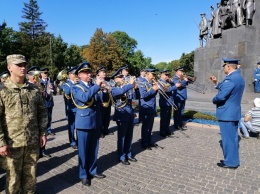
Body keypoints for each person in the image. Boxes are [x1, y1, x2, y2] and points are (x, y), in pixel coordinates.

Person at [0, 54, 48, 193]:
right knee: (13, 179)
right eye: (19, 65)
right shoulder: (2, 90)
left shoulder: (34, 89)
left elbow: (42, 112)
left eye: (24, 65)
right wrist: (1, 142)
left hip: (32, 141)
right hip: (12, 143)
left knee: (31, 176)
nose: (23, 67)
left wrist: (43, 133)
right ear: (9, 67)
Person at [71, 62, 106, 186]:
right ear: (79, 74)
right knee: (83, 151)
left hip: (95, 122)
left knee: (93, 149)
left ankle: (92, 170)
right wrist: (97, 86)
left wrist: (105, 91)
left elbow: (100, 101)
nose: (89, 74)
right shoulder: (75, 87)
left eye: (89, 72)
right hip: (83, 123)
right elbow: (85, 97)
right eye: (86, 72)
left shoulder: (93, 85)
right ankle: (83, 174)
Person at [210, 58, 245, 169]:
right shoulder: (238, 77)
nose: (224, 68)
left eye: (224, 66)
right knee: (232, 138)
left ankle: (231, 162)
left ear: (228, 67)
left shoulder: (230, 79)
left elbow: (221, 96)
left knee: (228, 139)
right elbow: (228, 89)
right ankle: (232, 159)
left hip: (227, 113)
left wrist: (214, 99)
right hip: (233, 112)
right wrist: (216, 83)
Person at [110, 68, 137, 165]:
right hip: (121, 115)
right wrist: (130, 84)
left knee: (129, 136)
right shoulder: (114, 88)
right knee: (122, 137)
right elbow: (119, 93)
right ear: (115, 79)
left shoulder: (128, 87)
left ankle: (128, 154)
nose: (122, 78)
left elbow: (134, 99)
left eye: (122, 77)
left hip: (130, 114)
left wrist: (134, 110)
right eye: (120, 77)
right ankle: (121, 156)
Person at [138, 69, 159, 150]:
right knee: (146, 126)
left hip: (151, 107)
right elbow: (143, 95)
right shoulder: (142, 82)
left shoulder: (150, 82)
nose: (154, 76)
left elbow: (153, 94)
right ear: (147, 74)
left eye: (154, 75)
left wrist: (155, 88)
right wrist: (153, 89)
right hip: (146, 107)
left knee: (150, 126)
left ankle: (149, 141)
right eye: (152, 74)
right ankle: (144, 143)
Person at [60, 66, 78, 149]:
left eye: (75, 74)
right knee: (71, 126)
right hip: (71, 108)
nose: (75, 75)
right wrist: (75, 85)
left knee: (79, 126)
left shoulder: (78, 82)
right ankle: (72, 141)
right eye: (74, 74)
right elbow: (67, 91)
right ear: (69, 75)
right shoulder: (66, 84)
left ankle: (78, 140)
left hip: (79, 108)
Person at [159, 70, 181, 137]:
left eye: (168, 75)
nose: (167, 76)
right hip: (164, 102)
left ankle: (167, 130)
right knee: (164, 119)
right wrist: (175, 86)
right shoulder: (160, 82)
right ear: (161, 75)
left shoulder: (167, 81)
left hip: (169, 102)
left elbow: (173, 87)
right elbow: (166, 90)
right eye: (166, 75)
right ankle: (163, 132)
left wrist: (173, 83)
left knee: (168, 118)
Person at [95, 66, 113, 138]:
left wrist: (108, 87)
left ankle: (106, 129)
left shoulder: (108, 81)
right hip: (100, 101)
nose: (105, 73)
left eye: (105, 72)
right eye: (103, 72)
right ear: (99, 73)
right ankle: (100, 131)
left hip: (108, 100)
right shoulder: (95, 81)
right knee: (100, 117)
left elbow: (112, 88)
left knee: (107, 116)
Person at [172, 67, 189, 131]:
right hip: (178, 97)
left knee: (181, 112)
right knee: (177, 112)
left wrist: (186, 79)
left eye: (182, 71)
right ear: (177, 72)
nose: (182, 72)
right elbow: (179, 86)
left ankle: (180, 124)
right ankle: (176, 125)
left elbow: (186, 84)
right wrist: (184, 80)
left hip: (183, 97)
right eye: (180, 71)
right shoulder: (174, 78)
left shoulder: (182, 77)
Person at [40, 67, 56, 136]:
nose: (46, 74)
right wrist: (46, 94)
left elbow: (55, 92)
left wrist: (53, 88)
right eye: (44, 73)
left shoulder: (51, 81)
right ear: (41, 74)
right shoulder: (39, 82)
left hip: (50, 102)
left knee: (49, 116)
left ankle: (49, 129)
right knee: (44, 117)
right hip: (43, 102)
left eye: (47, 73)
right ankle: (44, 130)